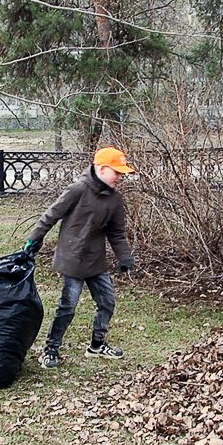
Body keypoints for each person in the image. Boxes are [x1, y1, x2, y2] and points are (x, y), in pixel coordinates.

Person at [24, 146, 136, 369]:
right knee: (68, 307)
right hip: (72, 258)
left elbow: (116, 232)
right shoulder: (77, 189)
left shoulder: (115, 199)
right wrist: (33, 240)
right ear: (102, 169)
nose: (120, 177)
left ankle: (97, 345)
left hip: (96, 260)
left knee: (107, 302)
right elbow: (50, 216)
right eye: (117, 172)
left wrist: (124, 256)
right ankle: (50, 349)